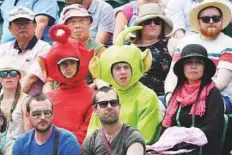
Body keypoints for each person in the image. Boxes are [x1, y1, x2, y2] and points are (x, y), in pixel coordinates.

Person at [88, 26, 162, 145]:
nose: (122, 72)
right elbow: (92, 133)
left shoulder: (147, 96)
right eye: (117, 68)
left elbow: (144, 137)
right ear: (110, 72)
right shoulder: (104, 97)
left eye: (126, 67)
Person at [148, 44, 224, 155]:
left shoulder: (213, 93)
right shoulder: (177, 93)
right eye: (188, 62)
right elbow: (167, 126)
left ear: (205, 68)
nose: (193, 66)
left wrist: (184, 141)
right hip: (175, 147)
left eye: (198, 62)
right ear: (182, 67)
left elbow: (212, 129)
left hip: (201, 149)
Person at [165, 0, 232, 109]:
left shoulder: (229, 43)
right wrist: (169, 95)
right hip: (182, 94)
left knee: (201, 110)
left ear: (222, 20)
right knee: (155, 105)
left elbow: (221, 82)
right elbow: (173, 75)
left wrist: (193, 98)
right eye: (206, 19)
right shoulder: (185, 42)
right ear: (198, 21)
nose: (211, 21)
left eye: (215, 18)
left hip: (218, 96)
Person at [39, 24, 94, 144]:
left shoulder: (93, 96)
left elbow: (88, 132)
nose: (68, 68)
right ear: (57, 66)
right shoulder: (49, 98)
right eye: (64, 64)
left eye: (72, 63)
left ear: (79, 64)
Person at [0, 7, 51, 96]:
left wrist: (10, 101)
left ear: (35, 25)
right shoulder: (3, 49)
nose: (22, 26)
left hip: (30, 101)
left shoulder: (44, 48)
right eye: (18, 23)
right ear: (10, 29)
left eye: (26, 23)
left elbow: (31, 79)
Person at [82, 86, 145, 155]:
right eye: (103, 104)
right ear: (95, 110)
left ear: (119, 107)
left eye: (113, 103)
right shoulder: (91, 141)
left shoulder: (133, 136)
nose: (109, 107)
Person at [132, 3, 176, 99]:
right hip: (134, 97)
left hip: (162, 97)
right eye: (148, 22)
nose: (153, 25)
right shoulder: (129, 47)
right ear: (140, 25)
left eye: (157, 22)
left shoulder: (171, 44)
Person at [12, 94, 80, 155]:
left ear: (53, 113)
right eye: (37, 114)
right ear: (28, 115)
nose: (42, 117)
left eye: (47, 113)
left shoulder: (67, 142)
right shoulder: (21, 143)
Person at [0, 56, 30, 141]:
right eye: (3, 74)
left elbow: (28, 136)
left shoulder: (26, 101)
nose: (8, 77)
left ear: (19, 77)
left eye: (13, 73)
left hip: (16, 147)